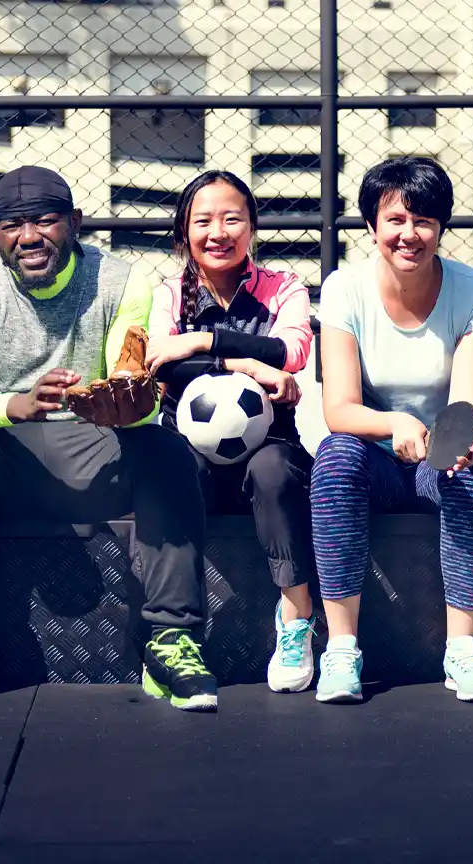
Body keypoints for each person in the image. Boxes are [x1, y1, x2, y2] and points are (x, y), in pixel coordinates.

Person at [0, 165, 217, 712]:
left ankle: (171, 638)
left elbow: (130, 385)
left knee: (165, 450)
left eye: (44, 221)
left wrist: (126, 403)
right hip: (6, 452)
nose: (28, 237)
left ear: (75, 223)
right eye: (12, 225)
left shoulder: (122, 281)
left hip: (87, 449)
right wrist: (17, 405)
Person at [310, 156, 473, 703]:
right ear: (372, 226)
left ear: (441, 227)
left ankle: (463, 648)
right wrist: (396, 422)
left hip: (437, 459)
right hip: (373, 456)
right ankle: (341, 648)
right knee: (334, 456)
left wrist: (458, 439)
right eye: (395, 220)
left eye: (423, 221)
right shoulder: (343, 288)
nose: (409, 234)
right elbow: (339, 409)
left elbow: (472, 403)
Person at [147, 170, 316, 694]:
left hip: (270, 444)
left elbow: (290, 352)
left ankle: (297, 620)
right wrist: (246, 365)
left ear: (252, 227)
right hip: (190, 447)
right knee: (171, 469)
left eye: (232, 219)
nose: (218, 233)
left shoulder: (284, 287)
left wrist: (202, 343)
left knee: (273, 470)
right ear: (184, 231)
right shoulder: (169, 293)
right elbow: (160, 366)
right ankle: (175, 633)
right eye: (203, 221)